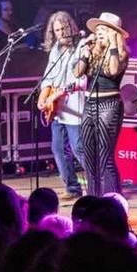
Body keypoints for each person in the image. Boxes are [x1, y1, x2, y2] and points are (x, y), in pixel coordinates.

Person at [74, 12, 130, 196]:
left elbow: (113, 70)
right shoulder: (92, 51)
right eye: (97, 29)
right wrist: (85, 52)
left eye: (104, 29)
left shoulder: (121, 54)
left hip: (109, 105)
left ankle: (112, 201)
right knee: (89, 157)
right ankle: (93, 199)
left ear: (114, 33)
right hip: (89, 103)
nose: (98, 32)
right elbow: (77, 73)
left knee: (105, 158)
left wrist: (112, 45)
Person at [39, 10, 87, 197]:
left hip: (74, 107)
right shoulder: (56, 50)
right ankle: (72, 188)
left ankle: (100, 182)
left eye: (63, 29)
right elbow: (49, 76)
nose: (61, 34)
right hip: (58, 109)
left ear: (71, 27)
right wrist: (43, 96)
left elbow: (79, 80)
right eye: (57, 30)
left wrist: (55, 95)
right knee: (58, 149)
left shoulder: (81, 46)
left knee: (79, 149)